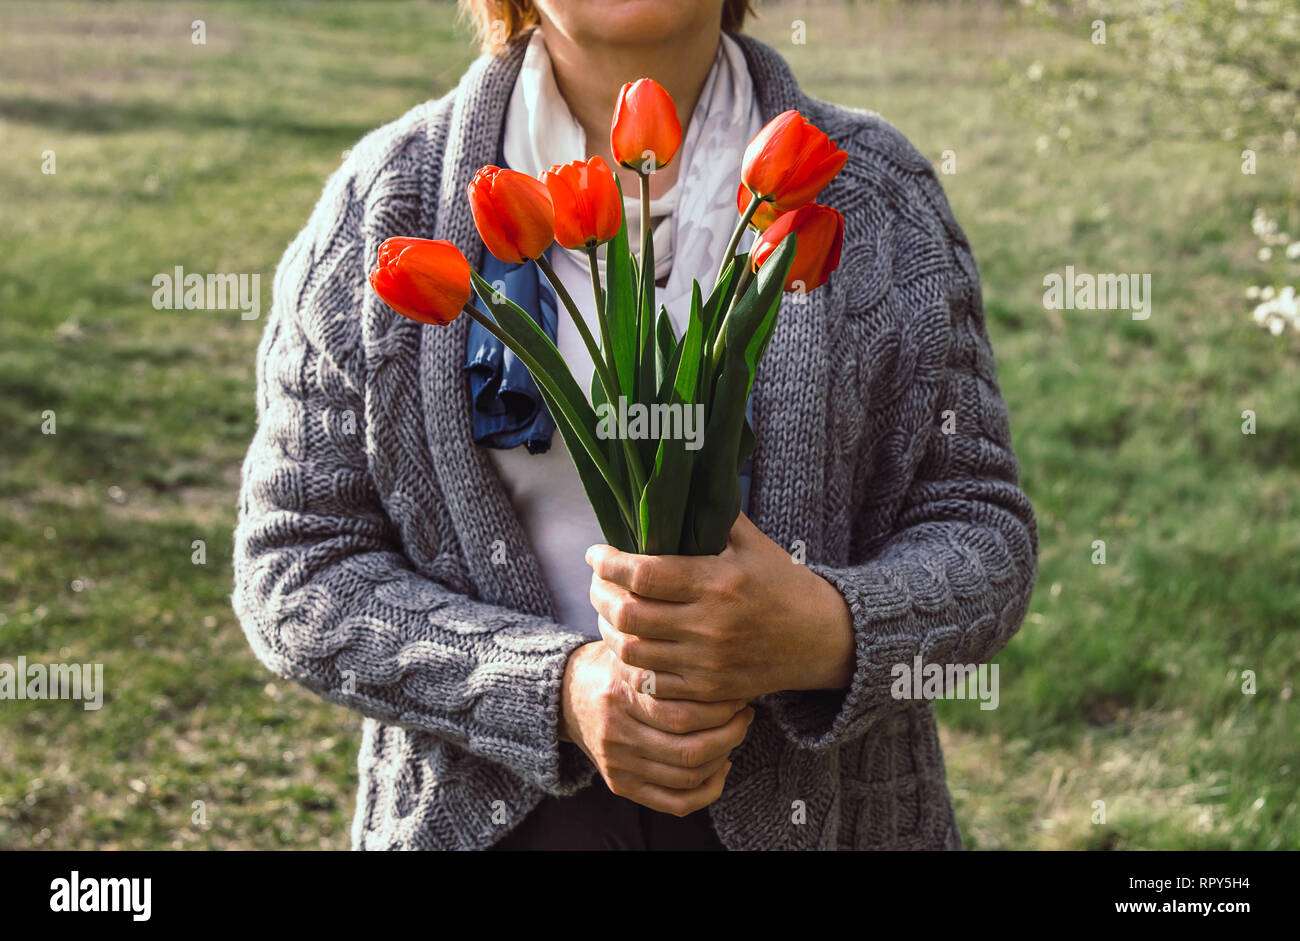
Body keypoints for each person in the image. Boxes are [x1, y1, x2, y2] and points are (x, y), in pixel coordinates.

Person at [232, 0, 1038, 850]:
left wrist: (825, 629)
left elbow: (981, 530)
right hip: (496, 820)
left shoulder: (879, 194)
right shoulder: (387, 203)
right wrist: (556, 691)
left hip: (825, 813)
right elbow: (297, 562)